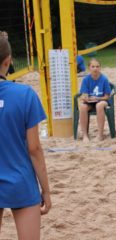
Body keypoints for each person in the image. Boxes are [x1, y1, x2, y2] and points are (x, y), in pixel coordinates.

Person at [0, 37, 51, 239]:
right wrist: (46, 191)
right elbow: (34, 149)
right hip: (20, 180)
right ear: (8, 61)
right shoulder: (24, 94)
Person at [79, 58, 111, 143]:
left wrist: (98, 98)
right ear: (89, 68)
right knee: (82, 107)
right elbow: (84, 94)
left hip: (102, 101)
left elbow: (107, 96)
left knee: (99, 105)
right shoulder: (86, 79)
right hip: (90, 102)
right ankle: (85, 135)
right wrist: (86, 98)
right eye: (93, 66)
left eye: (97, 66)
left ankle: (100, 135)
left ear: (100, 68)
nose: (95, 68)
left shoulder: (104, 79)